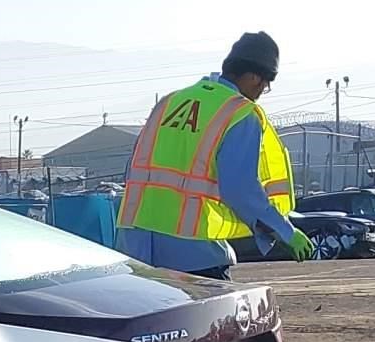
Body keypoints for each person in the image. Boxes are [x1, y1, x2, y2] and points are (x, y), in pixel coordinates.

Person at [119, 32, 311, 277]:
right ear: (254, 76)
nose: (263, 90)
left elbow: (135, 169)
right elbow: (240, 188)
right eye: (265, 83)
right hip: (192, 252)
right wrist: (285, 231)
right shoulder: (239, 113)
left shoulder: (169, 102)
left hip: (135, 247)